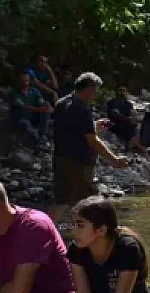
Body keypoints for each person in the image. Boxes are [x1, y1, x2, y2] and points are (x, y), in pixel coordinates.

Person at [53, 72, 129, 207]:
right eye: (95, 92)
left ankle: (46, 227)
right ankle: (89, 228)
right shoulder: (83, 109)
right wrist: (114, 160)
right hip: (79, 164)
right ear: (89, 89)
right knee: (88, 205)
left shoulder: (61, 103)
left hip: (60, 160)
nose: (95, 96)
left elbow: (70, 129)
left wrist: (94, 125)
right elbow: (93, 141)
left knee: (61, 201)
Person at [9, 71, 52, 145]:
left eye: (26, 80)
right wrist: (40, 110)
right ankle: (39, 140)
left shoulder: (34, 91)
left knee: (46, 104)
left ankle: (42, 134)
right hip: (21, 118)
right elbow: (23, 107)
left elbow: (41, 101)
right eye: (22, 81)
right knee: (27, 126)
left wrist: (47, 107)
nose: (25, 83)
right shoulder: (14, 93)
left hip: (33, 117)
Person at [106, 86, 145, 154]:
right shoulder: (112, 103)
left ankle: (133, 144)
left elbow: (132, 114)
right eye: (120, 90)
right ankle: (135, 146)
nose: (122, 93)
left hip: (128, 124)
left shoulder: (128, 104)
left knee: (136, 127)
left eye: (124, 91)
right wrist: (127, 119)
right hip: (116, 123)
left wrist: (133, 119)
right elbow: (114, 114)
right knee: (127, 128)